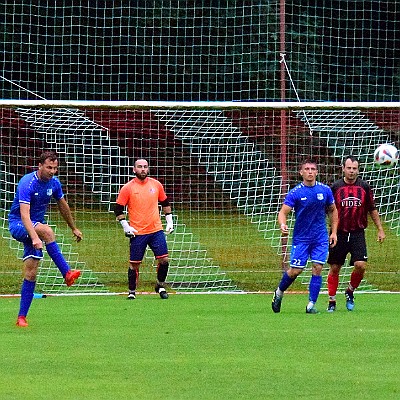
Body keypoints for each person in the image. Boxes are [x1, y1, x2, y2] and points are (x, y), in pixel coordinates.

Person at [8, 150, 83, 327]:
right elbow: (24, 215)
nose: (52, 171)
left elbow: (63, 206)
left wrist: (73, 227)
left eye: (55, 168)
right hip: (18, 224)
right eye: (49, 167)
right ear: (40, 165)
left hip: (35, 229)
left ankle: (21, 317)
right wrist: (35, 237)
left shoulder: (54, 183)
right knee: (48, 232)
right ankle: (67, 272)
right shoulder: (27, 182)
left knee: (31, 272)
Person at [271, 159, 338, 314]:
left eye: (312, 169)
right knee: (296, 270)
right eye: (306, 169)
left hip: (320, 237)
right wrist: (282, 224)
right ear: (301, 172)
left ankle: (311, 305)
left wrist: (333, 232)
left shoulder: (325, 190)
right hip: (301, 238)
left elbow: (333, 210)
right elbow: (283, 212)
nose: (310, 171)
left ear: (316, 172)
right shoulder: (296, 193)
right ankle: (279, 292)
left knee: (318, 267)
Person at [326, 155, 385, 312]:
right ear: (343, 168)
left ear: (358, 170)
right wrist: (332, 231)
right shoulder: (335, 187)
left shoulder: (364, 187)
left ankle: (350, 291)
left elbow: (372, 208)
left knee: (360, 265)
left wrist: (380, 229)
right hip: (339, 233)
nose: (351, 171)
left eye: (354, 168)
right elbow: (330, 210)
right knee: (335, 267)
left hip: (358, 232)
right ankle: (331, 301)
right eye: (349, 168)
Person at [114, 158, 174, 300]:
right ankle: (132, 291)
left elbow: (165, 202)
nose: (143, 169)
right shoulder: (128, 188)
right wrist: (126, 226)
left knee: (164, 260)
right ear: (134, 170)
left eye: (145, 167)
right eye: (140, 167)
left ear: (148, 169)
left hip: (156, 230)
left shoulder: (156, 185)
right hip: (137, 232)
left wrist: (169, 221)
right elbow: (117, 208)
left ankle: (160, 285)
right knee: (134, 264)